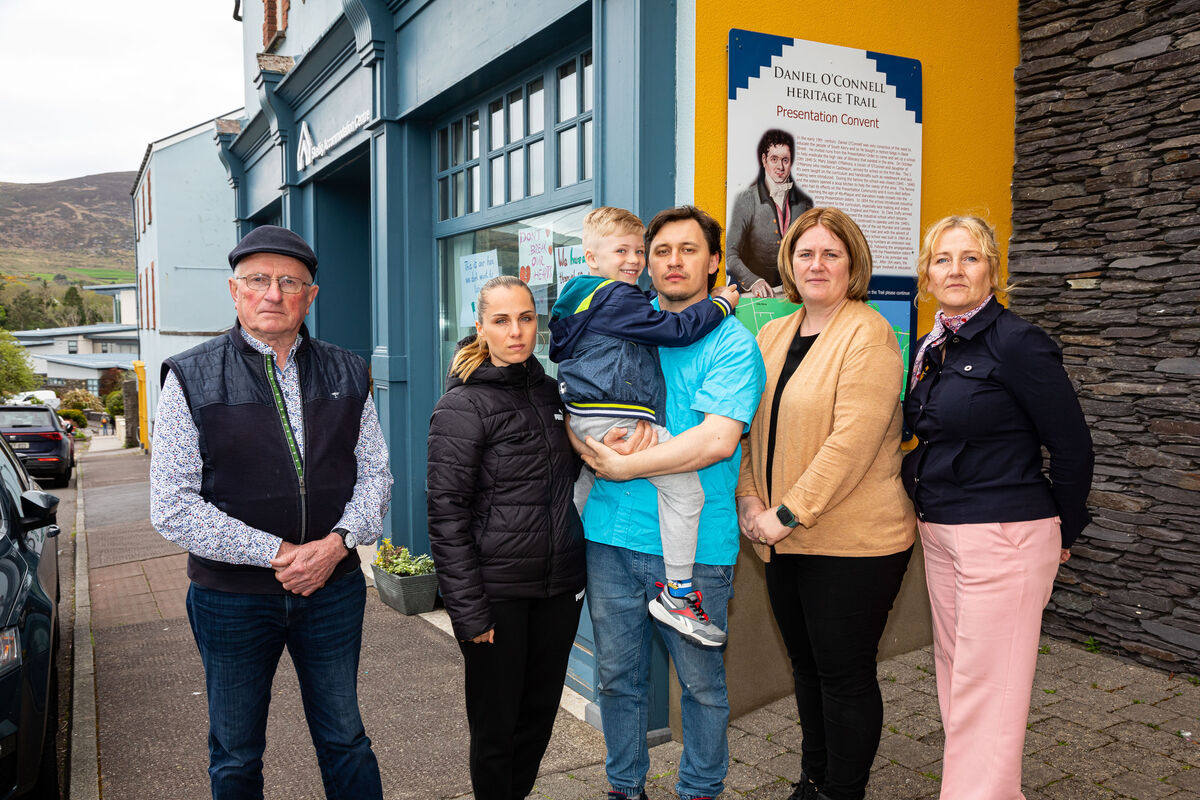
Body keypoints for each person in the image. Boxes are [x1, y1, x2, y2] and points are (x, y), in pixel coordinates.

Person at [149, 225, 392, 800]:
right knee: (235, 754)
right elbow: (172, 504)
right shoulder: (190, 375)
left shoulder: (348, 371)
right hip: (230, 599)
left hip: (330, 590)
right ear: (235, 292)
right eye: (258, 280)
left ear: (311, 296)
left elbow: (375, 474)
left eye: (289, 282)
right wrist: (281, 554)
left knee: (345, 738)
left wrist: (335, 545)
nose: (273, 293)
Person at [575, 205, 766, 800]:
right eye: (661, 251)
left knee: (701, 687)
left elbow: (715, 441)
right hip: (609, 536)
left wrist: (625, 462)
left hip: (695, 546)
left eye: (688, 249)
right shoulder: (622, 317)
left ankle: (699, 791)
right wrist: (582, 437)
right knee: (616, 681)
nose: (672, 261)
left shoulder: (733, 343)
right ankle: (623, 788)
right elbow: (572, 395)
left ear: (714, 261)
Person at [902, 215, 1094, 800]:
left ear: (992, 269)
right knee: (960, 683)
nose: (955, 270)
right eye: (942, 259)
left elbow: (1071, 445)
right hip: (943, 532)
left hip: (1005, 534)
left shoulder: (1017, 342)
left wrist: (1062, 527)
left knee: (988, 693)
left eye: (970, 258)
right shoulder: (935, 344)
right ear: (927, 273)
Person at [736, 207, 915, 800]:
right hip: (782, 540)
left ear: (852, 264)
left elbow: (851, 445)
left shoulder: (869, 334)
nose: (817, 264)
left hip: (853, 543)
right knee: (807, 670)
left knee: (843, 676)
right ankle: (814, 780)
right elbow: (748, 427)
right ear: (788, 262)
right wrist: (748, 500)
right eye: (805, 253)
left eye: (830, 254)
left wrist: (782, 516)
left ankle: (844, 790)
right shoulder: (773, 333)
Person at [426, 275, 587, 800]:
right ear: (481, 327)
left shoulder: (549, 391)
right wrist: (468, 611)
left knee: (538, 718)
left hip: (557, 589)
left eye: (526, 318)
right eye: (501, 320)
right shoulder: (463, 406)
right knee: (496, 728)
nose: (516, 331)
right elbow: (446, 514)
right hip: (497, 596)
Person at [550, 206, 739, 647]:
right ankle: (677, 592)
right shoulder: (619, 298)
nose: (634, 260)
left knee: (580, 484)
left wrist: (582, 445)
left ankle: (561, 560)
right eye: (624, 250)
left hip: (585, 414)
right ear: (591, 258)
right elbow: (675, 331)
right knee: (687, 491)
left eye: (639, 250)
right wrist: (722, 303)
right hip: (615, 417)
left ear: (712, 260)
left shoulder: (576, 299)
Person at [726, 128, 814, 297]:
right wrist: (753, 281)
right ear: (764, 160)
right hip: (755, 294)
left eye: (785, 160)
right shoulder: (746, 199)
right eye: (774, 159)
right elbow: (731, 254)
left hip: (793, 294)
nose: (780, 167)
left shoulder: (804, 204)